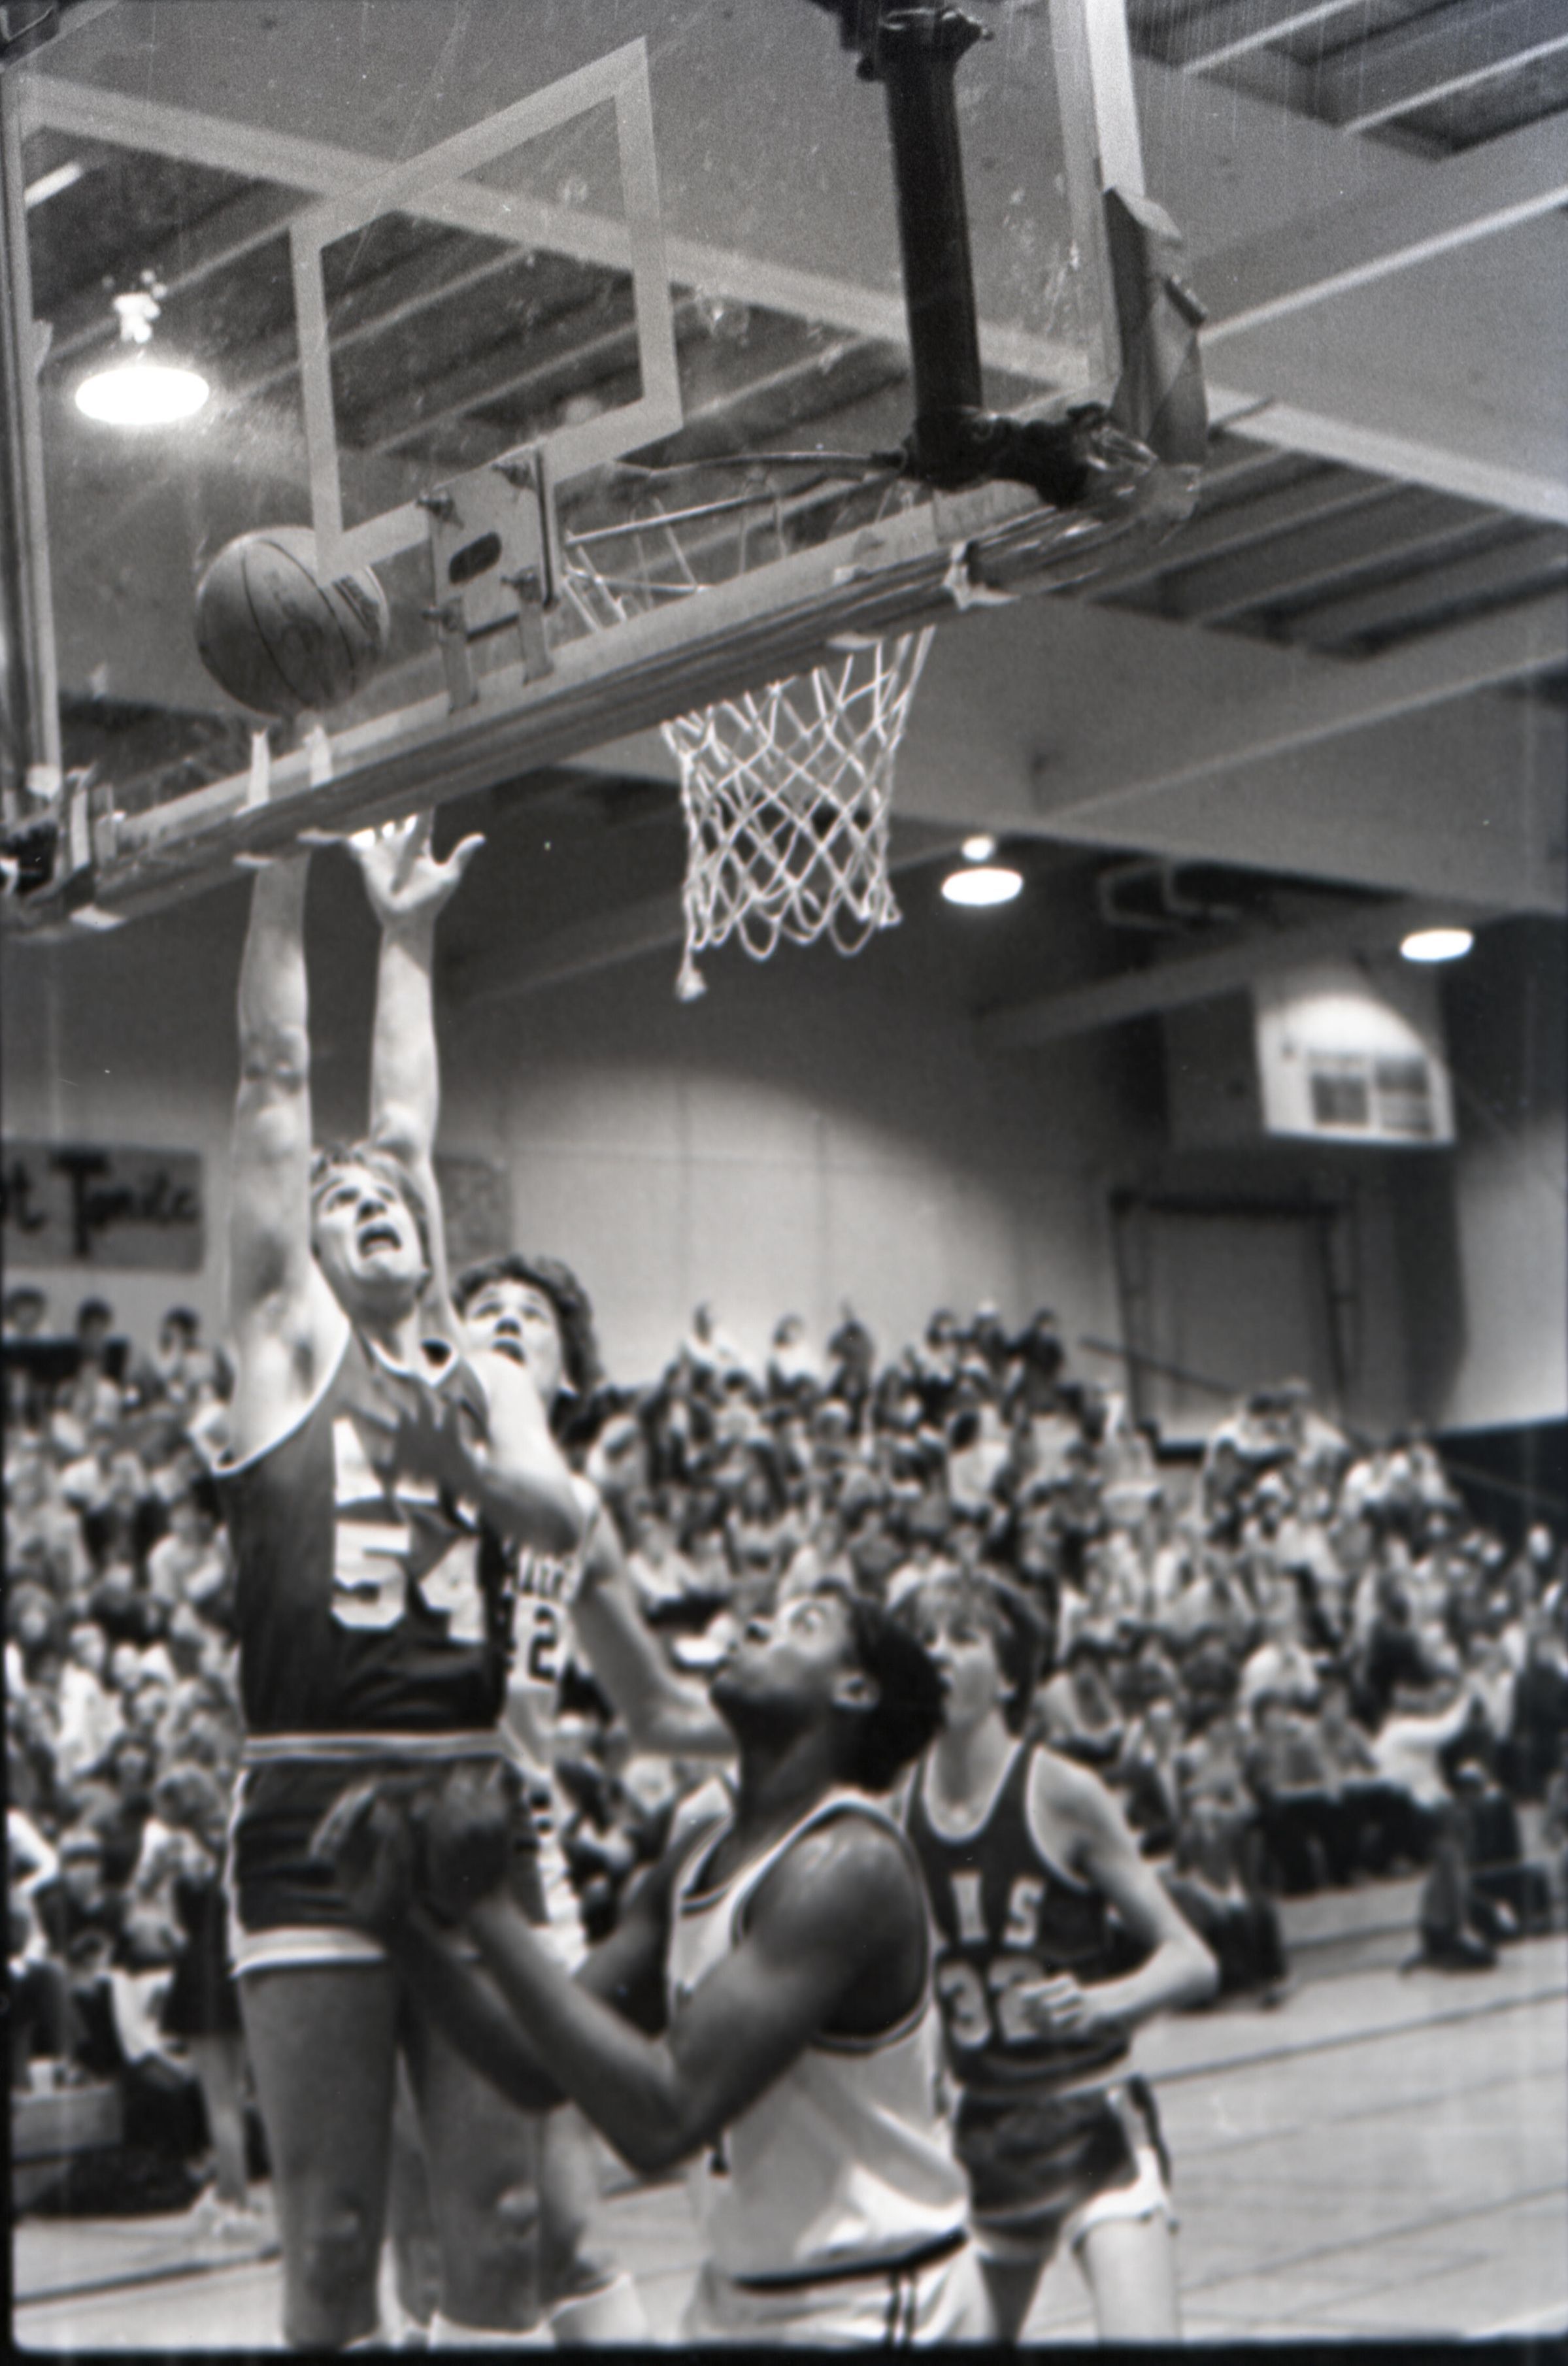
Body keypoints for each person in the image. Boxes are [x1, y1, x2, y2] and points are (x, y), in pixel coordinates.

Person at [216, 816, 587, 2350]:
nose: (374, 1199)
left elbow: (562, 1516)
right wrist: (279, 864)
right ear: (301, 1242)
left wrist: (411, 931)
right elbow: (276, 1081)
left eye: (395, 1199)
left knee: (500, 2227)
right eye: (343, 1199)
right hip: (310, 1802)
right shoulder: (281, 1343)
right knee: (331, 2241)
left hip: (466, 1802)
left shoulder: (479, 1375)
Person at [321, 1583, 992, 2345]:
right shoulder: (699, 1855)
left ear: (854, 1690)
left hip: (874, 2298)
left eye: (802, 1623)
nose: (756, 1622)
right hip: (746, 2298)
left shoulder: (847, 1863)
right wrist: (401, 1927)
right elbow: (536, 2067)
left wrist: (486, 1905)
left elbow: (663, 2119)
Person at [897, 1569, 1217, 2342]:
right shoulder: (893, 1806)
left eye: (962, 1637)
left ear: (1008, 1676)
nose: (938, 1651)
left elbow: (1191, 1958)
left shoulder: (1062, 1791)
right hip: (980, 2129)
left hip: (1088, 2116)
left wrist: (1102, 2000)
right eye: (925, 1638)